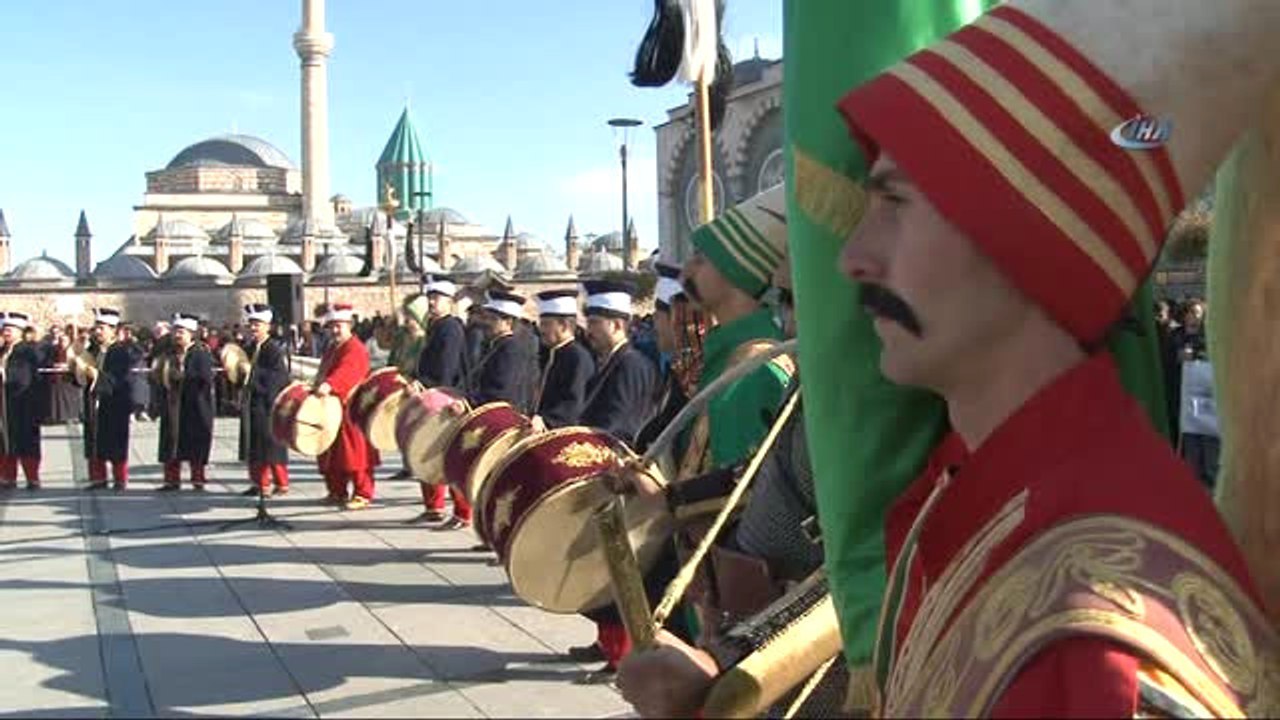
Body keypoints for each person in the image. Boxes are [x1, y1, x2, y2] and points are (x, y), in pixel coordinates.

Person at [826, 2, 1279, 714]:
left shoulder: (1097, 650)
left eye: (897, 205)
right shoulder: (977, 497)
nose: (853, 258)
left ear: (1025, 238)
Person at [411, 277, 470, 524]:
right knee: (427, 451)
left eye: (437, 298)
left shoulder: (450, 328)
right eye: (430, 298)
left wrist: (426, 385)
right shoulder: (436, 326)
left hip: (445, 398)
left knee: (448, 456)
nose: (432, 302)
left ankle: (463, 511)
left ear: (449, 302)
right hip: (432, 396)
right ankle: (433, 506)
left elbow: (446, 368)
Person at [313, 303, 379, 510]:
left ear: (349, 325)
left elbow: (348, 372)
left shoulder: (355, 348)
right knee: (332, 453)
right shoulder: (333, 347)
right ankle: (337, 491)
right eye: (331, 326)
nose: (334, 330)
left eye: (338, 325)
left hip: (351, 408)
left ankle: (362, 492)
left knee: (355, 453)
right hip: (332, 407)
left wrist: (329, 384)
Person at [578, 280, 658, 442]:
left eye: (594, 323)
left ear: (616, 325)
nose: (588, 331)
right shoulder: (610, 360)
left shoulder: (631, 364)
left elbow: (619, 426)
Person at [79, 308, 143, 490]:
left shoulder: (120, 351)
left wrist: (96, 376)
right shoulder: (93, 350)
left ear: (113, 330)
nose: (97, 332)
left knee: (115, 440)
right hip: (94, 401)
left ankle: (120, 478)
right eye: (96, 328)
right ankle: (98, 478)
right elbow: (83, 373)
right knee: (94, 439)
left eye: (102, 328)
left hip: (115, 401)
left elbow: (117, 377)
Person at [156, 313, 216, 491]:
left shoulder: (200, 354)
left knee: (195, 443)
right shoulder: (169, 354)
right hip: (172, 404)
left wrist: (184, 377)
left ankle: (198, 478)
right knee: (171, 442)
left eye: (181, 332)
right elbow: (161, 373)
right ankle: (171, 480)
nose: (177, 335)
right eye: (175, 331)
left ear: (191, 333)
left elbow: (205, 378)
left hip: (195, 406)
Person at [237, 304, 291, 497]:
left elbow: (277, 378)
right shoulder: (249, 347)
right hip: (251, 403)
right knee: (253, 445)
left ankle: (275, 482)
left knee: (269, 446)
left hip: (267, 405)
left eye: (257, 324)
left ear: (267, 326)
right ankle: (258, 482)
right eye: (251, 324)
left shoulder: (273, 350)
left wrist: (251, 373)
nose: (253, 328)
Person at [529, 288, 594, 431]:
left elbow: (573, 403)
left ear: (564, 325)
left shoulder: (577, 357)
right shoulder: (553, 353)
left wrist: (547, 420)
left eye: (546, 324)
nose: (542, 330)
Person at [0, 313, 43, 490]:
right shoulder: (3, 350)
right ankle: (7, 477)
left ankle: (32, 477)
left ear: (19, 331)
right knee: (4, 440)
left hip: (24, 402)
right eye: (4, 329)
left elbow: (23, 378)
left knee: (26, 440)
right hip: (4, 404)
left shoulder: (27, 350)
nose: (6, 333)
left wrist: (5, 375)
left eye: (10, 329)